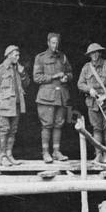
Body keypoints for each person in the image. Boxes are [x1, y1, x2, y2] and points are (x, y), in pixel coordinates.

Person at [33, 32, 73, 162]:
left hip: (61, 96)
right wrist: (53, 76)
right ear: (48, 43)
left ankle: (56, 151)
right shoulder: (40, 58)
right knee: (47, 125)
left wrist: (67, 77)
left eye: (57, 43)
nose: (55, 45)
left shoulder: (63, 57)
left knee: (58, 124)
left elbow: (70, 72)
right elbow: (37, 77)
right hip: (46, 97)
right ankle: (45, 153)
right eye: (53, 42)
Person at [77, 42, 106, 163]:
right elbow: (80, 84)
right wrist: (89, 89)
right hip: (93, 102)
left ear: (100, 53)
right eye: (91, 53)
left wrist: (105, 96)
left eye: (96, 52)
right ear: (89, 55)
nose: (94, 55)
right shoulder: (86, 68)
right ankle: (98, 154)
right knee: (96, 129)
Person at [0, 44, 30, 167]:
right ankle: (2, 156)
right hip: (4, 106)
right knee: (4, 130)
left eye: (18, 55)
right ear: (9, 56)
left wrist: (23, 73)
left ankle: (9, 154)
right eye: (16, 55)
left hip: (16, 105)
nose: (18, 57)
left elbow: (27, 84)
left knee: (13, 131)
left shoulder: (18, 69)